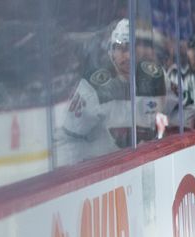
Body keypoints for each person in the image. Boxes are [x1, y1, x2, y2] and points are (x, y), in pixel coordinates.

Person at [55, 19, 177, 166]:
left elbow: (180, 110)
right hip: (106, 177)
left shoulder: (157, 78)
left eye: (132, 49)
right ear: (110, 52)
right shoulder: (92, 88)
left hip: (144, 167)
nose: (127, 56)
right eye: (120, 48)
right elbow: (68, 140)